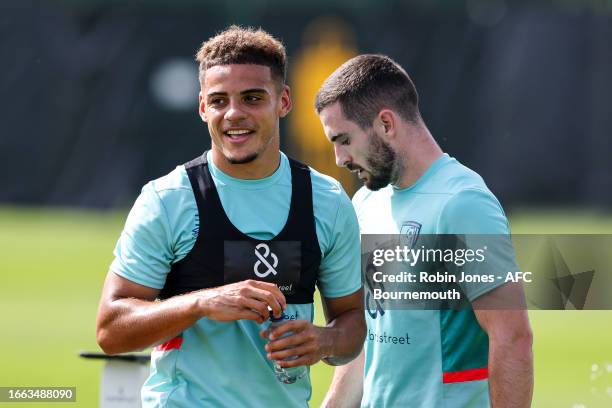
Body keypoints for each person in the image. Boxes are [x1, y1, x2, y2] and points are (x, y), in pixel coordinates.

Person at [95, 26, 365, 408]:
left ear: (284, 101)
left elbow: (351, 320)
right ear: (203, 107)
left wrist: (326, 340)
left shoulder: (327, 201)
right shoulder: (168, 199)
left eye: (253, 98)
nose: (234, 114)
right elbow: (110, 329)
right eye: (219, 101)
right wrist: (201, 303)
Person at [315, 54, 533, 407]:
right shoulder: (366, 204)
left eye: (343, 140)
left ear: (386, 123)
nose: (340, 159)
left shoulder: (462, 203)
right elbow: (369, 342)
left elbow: (512, 338)